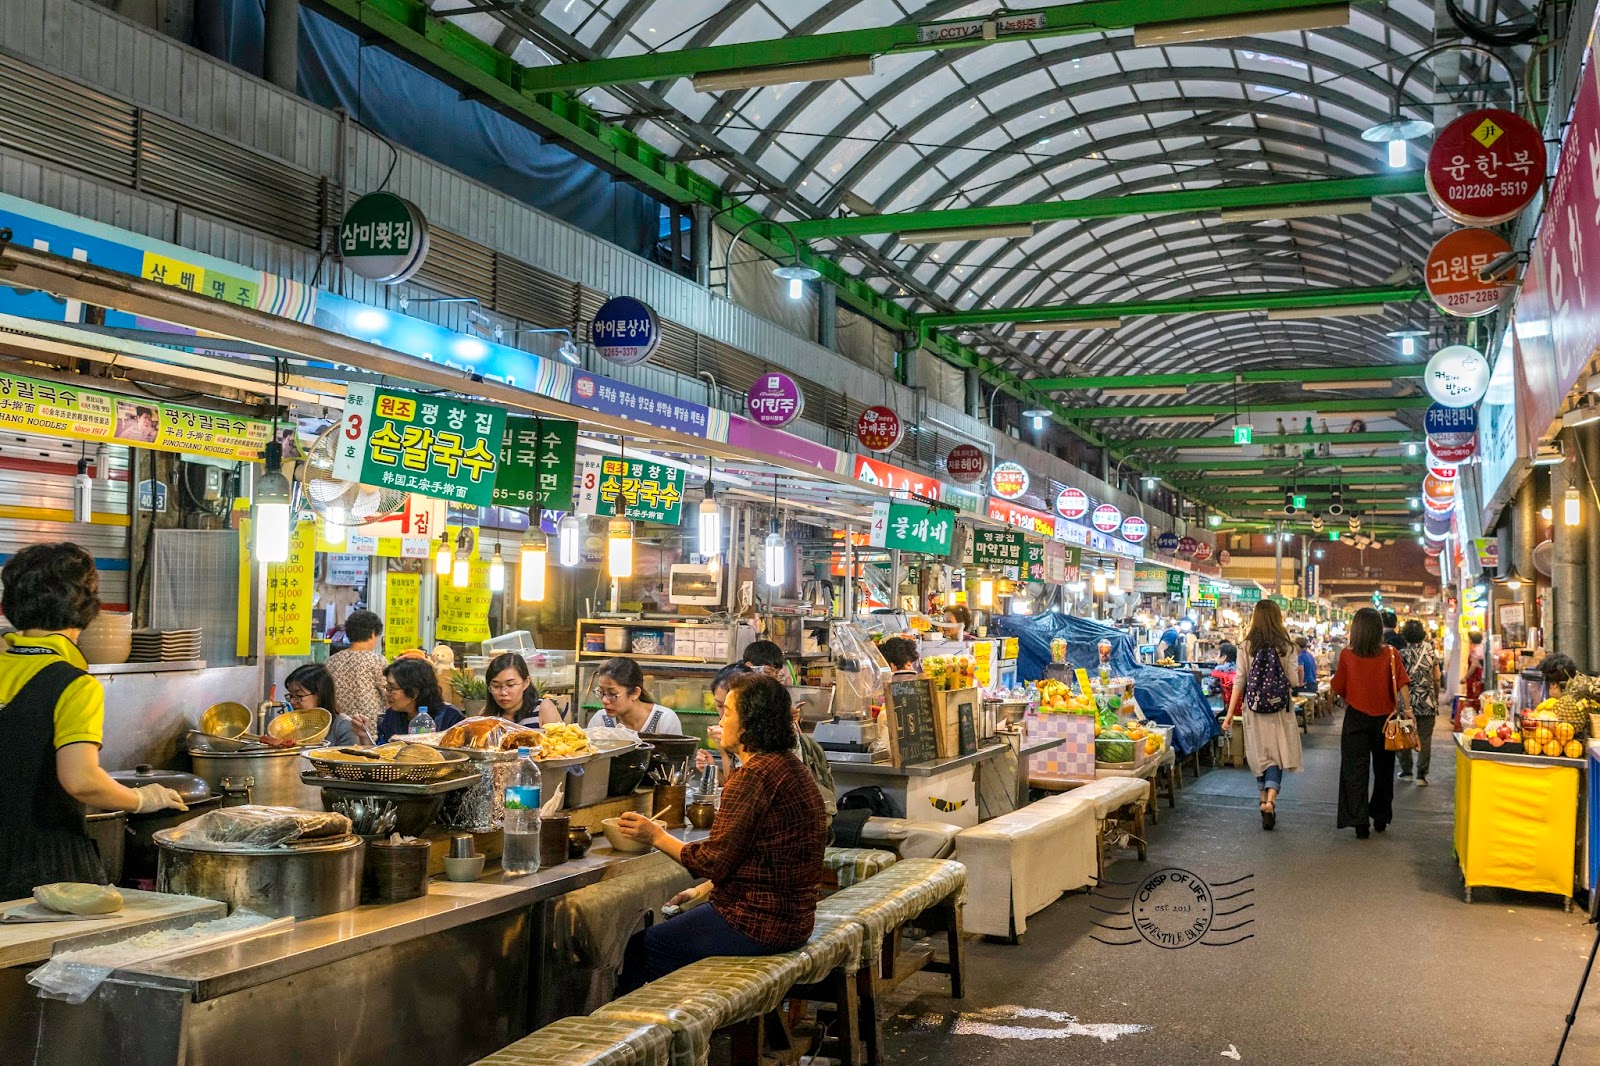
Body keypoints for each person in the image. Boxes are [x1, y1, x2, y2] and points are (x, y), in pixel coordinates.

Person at [0, 543, 189, 899]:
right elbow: (81, 780)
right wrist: (142, 800)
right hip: (45, 874)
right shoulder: (73, 684)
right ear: (86, 607)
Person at [616, 673, 825, 987]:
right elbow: (753, 858)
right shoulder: (789, 765)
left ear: (748, 724)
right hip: (793, 921)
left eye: (727, 713)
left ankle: (648, 1031)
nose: (720, 720)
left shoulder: (753, 776)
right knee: (677, 928)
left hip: (758, 926)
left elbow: (712, 861)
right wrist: (701, 891)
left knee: (641, 948)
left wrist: (655, 835)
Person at [1332, 607, 1413, 839]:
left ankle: (1359, 823)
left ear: (1356, 629)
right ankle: (1380, 817)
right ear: (1379, 629)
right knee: (1384, 770)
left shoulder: (1347, 655)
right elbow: (1403, 684)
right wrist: (1408, 710)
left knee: (1354, 769)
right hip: (1386, 721)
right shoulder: (1391, 653)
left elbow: (1338, 686)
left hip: (1356, 718)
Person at [1222, 600, 1302, 830]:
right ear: (1278, 618)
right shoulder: (1287, 646)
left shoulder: (1246, 645)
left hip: (1254, 709)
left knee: (1259, 755)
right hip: (1279, 710)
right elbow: (1294, 681)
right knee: (1276, 755)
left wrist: (1229, 715)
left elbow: (1240, 680)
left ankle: (1261, 797)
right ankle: (1271, 801)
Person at [325, 609, 388, 743]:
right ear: (372, 634)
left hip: (338, 730)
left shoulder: (331, 661)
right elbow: (388, 693)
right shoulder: (377, 660)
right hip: (367, 731)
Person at [377, 657, 464, 742]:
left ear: (414, 693)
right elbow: (381, 749)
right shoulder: (392, 715)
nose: (387, 693)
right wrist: (365, 736)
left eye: (391, 688)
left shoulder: (450, 717)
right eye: (387, 687)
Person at [1398, 620, 1442, 785]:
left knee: (1405, 735)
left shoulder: (1401, 654)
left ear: (1405, 636)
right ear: (1423, 634)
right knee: (1425, 737)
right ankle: (1421, 776)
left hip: (1407, 702)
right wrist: (1435, 696)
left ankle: (1406, 770)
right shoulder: (1430, 652)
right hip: (1427, 701)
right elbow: (1437, 678)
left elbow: (1398, 681)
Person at [589, 657, 682, 734]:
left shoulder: (664, 720)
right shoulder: (600, 721)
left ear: (635, 693)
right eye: (601, 692)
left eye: (612, 694)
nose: (604, 700)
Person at [281, 663, 360, 746]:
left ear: (320, 694)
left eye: (299, 696)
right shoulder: (292, 726)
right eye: (290, 696)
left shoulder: (343, 726)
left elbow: (348, 758)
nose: (292, 702)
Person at [484, 652, 561, 726]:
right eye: (496, 686)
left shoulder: (543, 709)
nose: (503, 692)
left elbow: (561, 738)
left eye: (510, 685)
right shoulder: (487, 715)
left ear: (526, 682)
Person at [1210, 642, 1238, 709]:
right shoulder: (1239, 671)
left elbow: (1210, 690)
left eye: (1218, 655)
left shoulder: (1218, 672)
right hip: (1240, 708)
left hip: (1226, 708)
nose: (1216, 657)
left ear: (1224, 657)